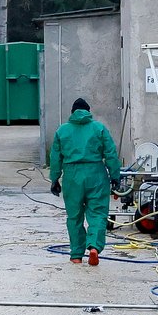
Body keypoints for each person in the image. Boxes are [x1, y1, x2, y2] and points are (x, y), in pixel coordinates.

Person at [48, 97, 119, 266]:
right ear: (88, 111)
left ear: (72, 113)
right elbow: (110, 154)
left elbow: (55, 158)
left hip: (72, 176)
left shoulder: (62, 131)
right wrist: (115, 176)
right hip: (96, 174)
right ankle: (94, 246)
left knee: (74, 216)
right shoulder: (99, 128)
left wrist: (54, 179)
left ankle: (76, 254)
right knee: (98, 213)